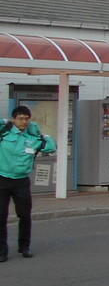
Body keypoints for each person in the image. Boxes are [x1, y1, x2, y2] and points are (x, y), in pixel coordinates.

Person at [0, 105, 57, 261]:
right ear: (14, 119)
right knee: (1, 216)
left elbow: (51, 147)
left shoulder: (32, 138)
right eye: (20, 118)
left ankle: (24, 246)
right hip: (2, 179)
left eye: (27, 119)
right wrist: (6, 122)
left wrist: (40, 133)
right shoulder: (4, 133)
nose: (24, 122)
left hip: (21, 181)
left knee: (25, 215)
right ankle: (1, 251)